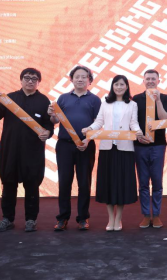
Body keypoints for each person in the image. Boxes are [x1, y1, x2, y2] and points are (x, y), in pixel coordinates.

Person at [0, 68, 54, 233]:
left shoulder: (44, 101)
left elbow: (48, 124)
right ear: (21, 80)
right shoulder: (10, 98)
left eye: (34, 79)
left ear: (39, 82)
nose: (30, 81)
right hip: (10, 149)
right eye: (27, 78)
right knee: (8, 183)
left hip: (33, 150)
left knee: (32, 185)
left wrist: (47, 133)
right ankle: (7, 219)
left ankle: (31, 220)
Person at [81, 75, 144, 231]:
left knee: (122, 184)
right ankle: (110, 219)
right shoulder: (105, 103)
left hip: (125, 148)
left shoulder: (132, 104)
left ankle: (118, 219)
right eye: (116, 84)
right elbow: (99, 122)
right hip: (107, 148)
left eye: (122, 84)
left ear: (126, 86)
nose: (119, 87)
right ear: (112, 86)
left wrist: (139, 132)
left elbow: (133, 123)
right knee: (108, 183)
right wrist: (89, 129)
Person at [47, 66, 101, 231]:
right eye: (77, 76)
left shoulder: (95, 100)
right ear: (71, 79)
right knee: (64, 182)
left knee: (84, 183)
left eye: (84, 77)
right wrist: (51, 115)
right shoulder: (63, 98)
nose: (80, 79)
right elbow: (55, 121)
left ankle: (83, 218)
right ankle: (62, 218)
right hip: (65, 145)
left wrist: (87, 139)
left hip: (85, 145)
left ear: (89, 80)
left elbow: (99, 123)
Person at [132, 69, 167, 229]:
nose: (150, 81)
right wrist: (138, 135)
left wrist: (158, 100)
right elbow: (132, 121)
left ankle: (157, 215)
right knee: (143, 182)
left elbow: (164, 119)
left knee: (157, 181)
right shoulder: (136, 99)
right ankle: (146, 215)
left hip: (158, 144)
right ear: (143, 81)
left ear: (158, 81)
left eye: (153, 79)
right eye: (147, 79)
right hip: (140, 145)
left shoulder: (165, 98)